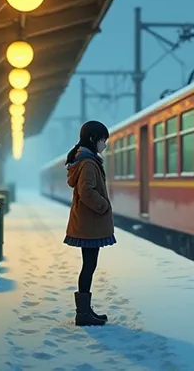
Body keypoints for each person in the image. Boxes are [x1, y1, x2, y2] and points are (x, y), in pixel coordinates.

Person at [64, 120, 116, 326]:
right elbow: (87, 191)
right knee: (89, 266)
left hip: (88, 223)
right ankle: (83, 314)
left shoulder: (86, 160)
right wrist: (104, 206)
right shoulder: (87, 163)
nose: (105, 144)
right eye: (104, 140)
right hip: (89, 224)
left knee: (89, 265)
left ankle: (85, 311)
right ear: (94, 139)